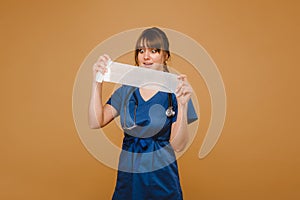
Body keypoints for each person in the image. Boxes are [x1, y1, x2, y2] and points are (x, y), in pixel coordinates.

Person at [88, 27, 198, 200]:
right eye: (141, 51)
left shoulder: (176, 93)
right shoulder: (126, 91)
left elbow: (178, 145)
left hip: (162, 179)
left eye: (154, 51)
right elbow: (96, 121)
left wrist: (183, 107)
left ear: (165, 56)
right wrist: (97, 82)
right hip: (130, 179)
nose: (146, 56)